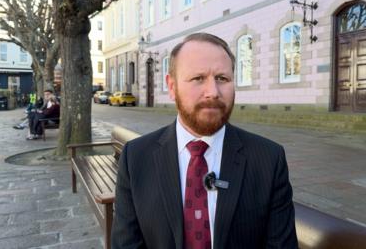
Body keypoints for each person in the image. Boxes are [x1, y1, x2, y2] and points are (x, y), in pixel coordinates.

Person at [111, 33, 298, 249]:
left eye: (222, 78)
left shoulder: (268, 160)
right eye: (198, 78)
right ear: (172, 87)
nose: (213, 92)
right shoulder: (136, 158)